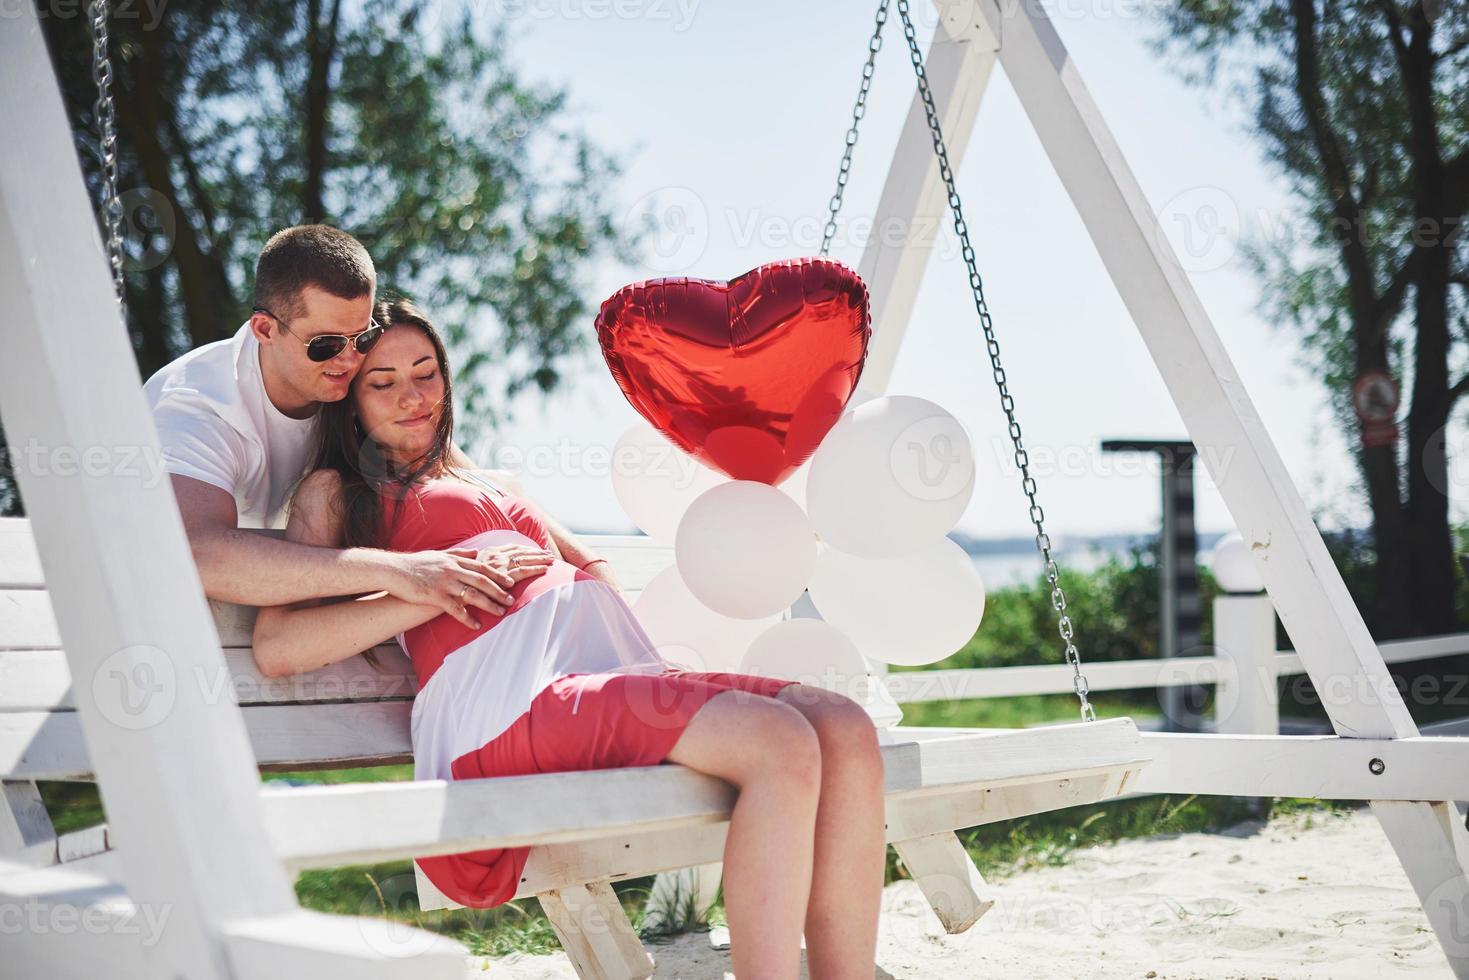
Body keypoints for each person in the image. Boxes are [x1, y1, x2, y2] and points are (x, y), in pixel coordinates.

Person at [250, 297, 887, 979]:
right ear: (350, 400)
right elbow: (279, 647)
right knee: (779, 743)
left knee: (843, 726)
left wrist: (638, 652)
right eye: (382, 383)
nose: (412, 397)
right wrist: (428, 587)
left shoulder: (478, 477)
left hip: (591, 680)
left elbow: (583, 563)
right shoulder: (336, 492)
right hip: (504, 706)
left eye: (427, 372)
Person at [143, 224, 609, 623]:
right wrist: (401, 573)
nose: (348, 361)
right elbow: (195, 553)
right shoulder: (199, 404)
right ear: (265, 329)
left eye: (361, 337)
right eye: (325, 344)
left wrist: (590, 565)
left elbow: (463, 473)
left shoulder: (344, 378)